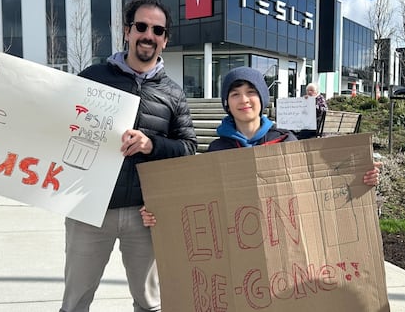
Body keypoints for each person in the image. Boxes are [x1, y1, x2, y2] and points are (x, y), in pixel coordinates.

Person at [0, 0, 197, 312]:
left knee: (149, 304)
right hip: (87, 210)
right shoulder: (93, 77)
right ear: (127, 32)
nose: (149, 35)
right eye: (141, 26)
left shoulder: (173, 93)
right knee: (76, 302)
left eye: (157, 30)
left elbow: (189, 148)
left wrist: (151, 144)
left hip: (144, 216)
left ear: (165, 39)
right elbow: (41, 111)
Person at [140, 66, 380, 227]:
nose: (243, 100)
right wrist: (159, 211)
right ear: (227, 103)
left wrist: (359, 177)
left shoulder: (286, 142)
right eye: (235, 94)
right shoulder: (217, 151)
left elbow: (314, 188)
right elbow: (197, 201)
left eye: (251, 92)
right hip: (238, 245)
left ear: (262, 99)